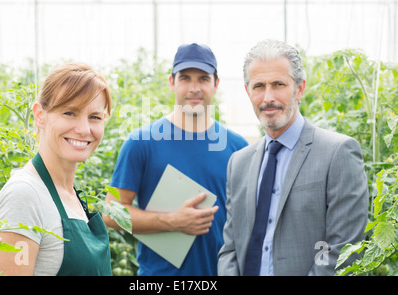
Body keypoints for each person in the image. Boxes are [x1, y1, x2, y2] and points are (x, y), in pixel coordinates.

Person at [218, 39, 369, 276]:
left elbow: (341, 250)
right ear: (248, 92)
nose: (268, 97)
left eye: (278, 84)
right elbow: (230, 249)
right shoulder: (239, 163)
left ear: (299, 88)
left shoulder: (337, 153)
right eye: (259, 86)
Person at [103, 43, 248, 276]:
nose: (194, 88)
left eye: (203, 79)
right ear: (172, 83)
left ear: (216, 84)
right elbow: (111, 212)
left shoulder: (238, 147)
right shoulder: (142, 143)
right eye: (185, 78)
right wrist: (171, 221)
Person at [0, 62, 112, 276]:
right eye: (69, 113)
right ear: (39, 115)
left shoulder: (70, 194)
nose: (83, 129)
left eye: (95, 117)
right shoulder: (24, 196)